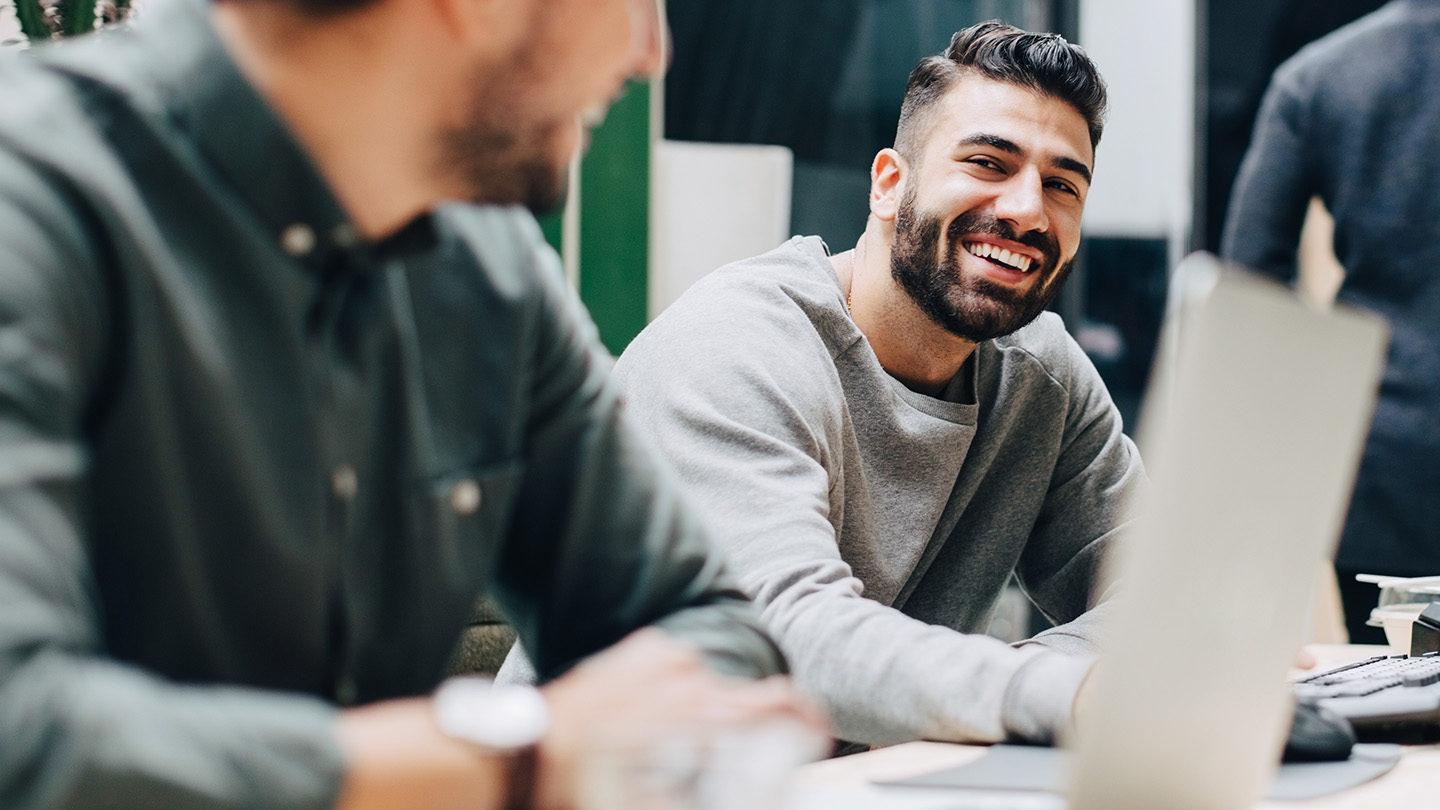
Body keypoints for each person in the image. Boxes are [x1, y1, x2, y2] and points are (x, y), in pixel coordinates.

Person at [0, 0, 825, 807]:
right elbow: (20, 736)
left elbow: (710, 633)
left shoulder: (490, 270)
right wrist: (508, 756)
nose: (652, 53)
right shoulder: (33, 204)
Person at [607, 22, 1144, 746]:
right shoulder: (736, 349)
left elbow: (1156, 595)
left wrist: (1061, 678)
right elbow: (790, 642)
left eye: (1061, 186)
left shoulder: (1040, 373)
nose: (1026, 210)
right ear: (890, 184)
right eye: (988, 162)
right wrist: (1055, 689)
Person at [1221, 0, 1440, 643]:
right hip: (1378, 465)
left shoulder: (1320, 77)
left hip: (1379, 457)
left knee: (1405, 695)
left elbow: (1250, 281)